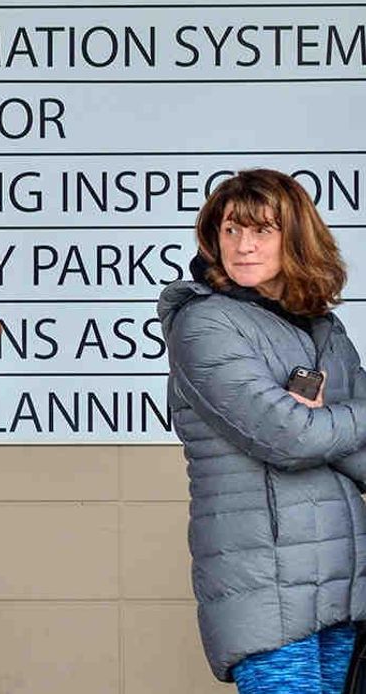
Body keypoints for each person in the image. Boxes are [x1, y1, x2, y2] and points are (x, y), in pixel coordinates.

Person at [159, 168, 366, 693]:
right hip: (266, 586)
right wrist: (323, 424)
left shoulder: (322, 326)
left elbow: (340, 447)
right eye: (231, 231)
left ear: (294, 237)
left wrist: (322, 424)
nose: (243, 246)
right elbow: (289, 439)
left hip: (344, 582)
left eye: (261, 231)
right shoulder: (205, 323)